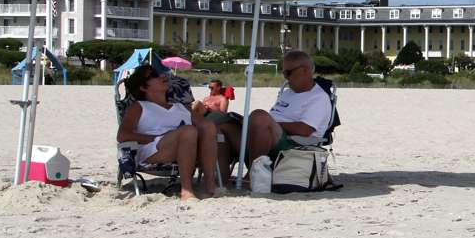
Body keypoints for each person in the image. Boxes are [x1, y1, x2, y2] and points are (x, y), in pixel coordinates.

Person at [117, 64, 221, 201]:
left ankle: (210, 185)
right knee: (188, 131)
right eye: (153, 75)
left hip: (187, 145)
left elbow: (206, 125)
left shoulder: (181, 107)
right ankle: (186, 190)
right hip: (154, 149)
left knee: (207, 127)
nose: (161, 76)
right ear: (143, 87)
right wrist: (152, 138)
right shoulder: (139, 107)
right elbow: (122, 135)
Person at [230, 50, 332, 184]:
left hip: (293, 143)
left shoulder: (318, 98)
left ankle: (253, 174)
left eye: (288, 73)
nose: (285, 77)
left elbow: (305, 130)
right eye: (284, 73)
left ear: (304, 71)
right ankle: (218, 179)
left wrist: (272, 123)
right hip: (270, 134)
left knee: (259, 116)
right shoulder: (288, 93)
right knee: (226, 124)